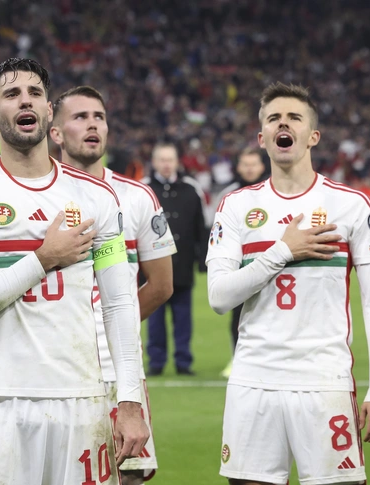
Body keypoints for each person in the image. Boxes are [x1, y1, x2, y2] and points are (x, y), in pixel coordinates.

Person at [0, 58, 149, 485]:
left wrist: (129, 400)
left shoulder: (97, 198)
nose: (25, 101)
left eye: (35, 92)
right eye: (11, 94)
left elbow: (120, 305)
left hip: (83, 398)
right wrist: (44, 258)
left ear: (49, 110)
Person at [206, 82, 370, 485]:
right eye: (274, 118)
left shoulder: (351, 205)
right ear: (262, 138)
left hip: (324, 379)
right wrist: (282, 251)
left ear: (313, 136)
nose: (283, 124)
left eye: (294, 117)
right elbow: (219, 297)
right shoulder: (235, 206)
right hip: (254, 380)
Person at [49, 85, 176, 484]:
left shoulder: (138, 197)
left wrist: (110, 326)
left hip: (118, 372)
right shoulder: (37, 196)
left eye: (99, 117)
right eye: (80, 117)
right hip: (53, 367)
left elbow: (161, 285)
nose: (92, 125)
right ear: (56, 132)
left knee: (128, 475)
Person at [142, 142, 206, 376]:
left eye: (170, 159)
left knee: (183, 318)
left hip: (183, 266)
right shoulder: (144, 189)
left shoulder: (191, 189)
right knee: (154, 318)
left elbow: (201, 226)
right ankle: (156, 362)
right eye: (162, 160)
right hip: (150, 269)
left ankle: (183, 361)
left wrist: (202, 259)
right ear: (154, 162)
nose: (166, 164)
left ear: (177, 162)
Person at [215, 147, 268, 379]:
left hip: (268, 263)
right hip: (238, 266)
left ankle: (267, 360)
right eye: (245, 164)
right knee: (238, 314)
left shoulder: (273, 192)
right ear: (238, 167)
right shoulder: (229, 195)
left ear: (262, 166)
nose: (249, 169)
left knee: (269, 311)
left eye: (253, 164)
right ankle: (237, 358)